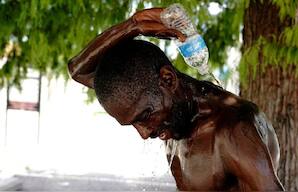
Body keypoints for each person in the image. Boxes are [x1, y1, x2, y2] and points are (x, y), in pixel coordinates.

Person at [68, 8, 284, 191]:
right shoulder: (174, 120)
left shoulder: (233, 130)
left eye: (144, 115)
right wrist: (133, 26)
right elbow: (78, 70)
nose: (144, 133)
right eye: (133, 124)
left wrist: (135, 26)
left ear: (168, 80)